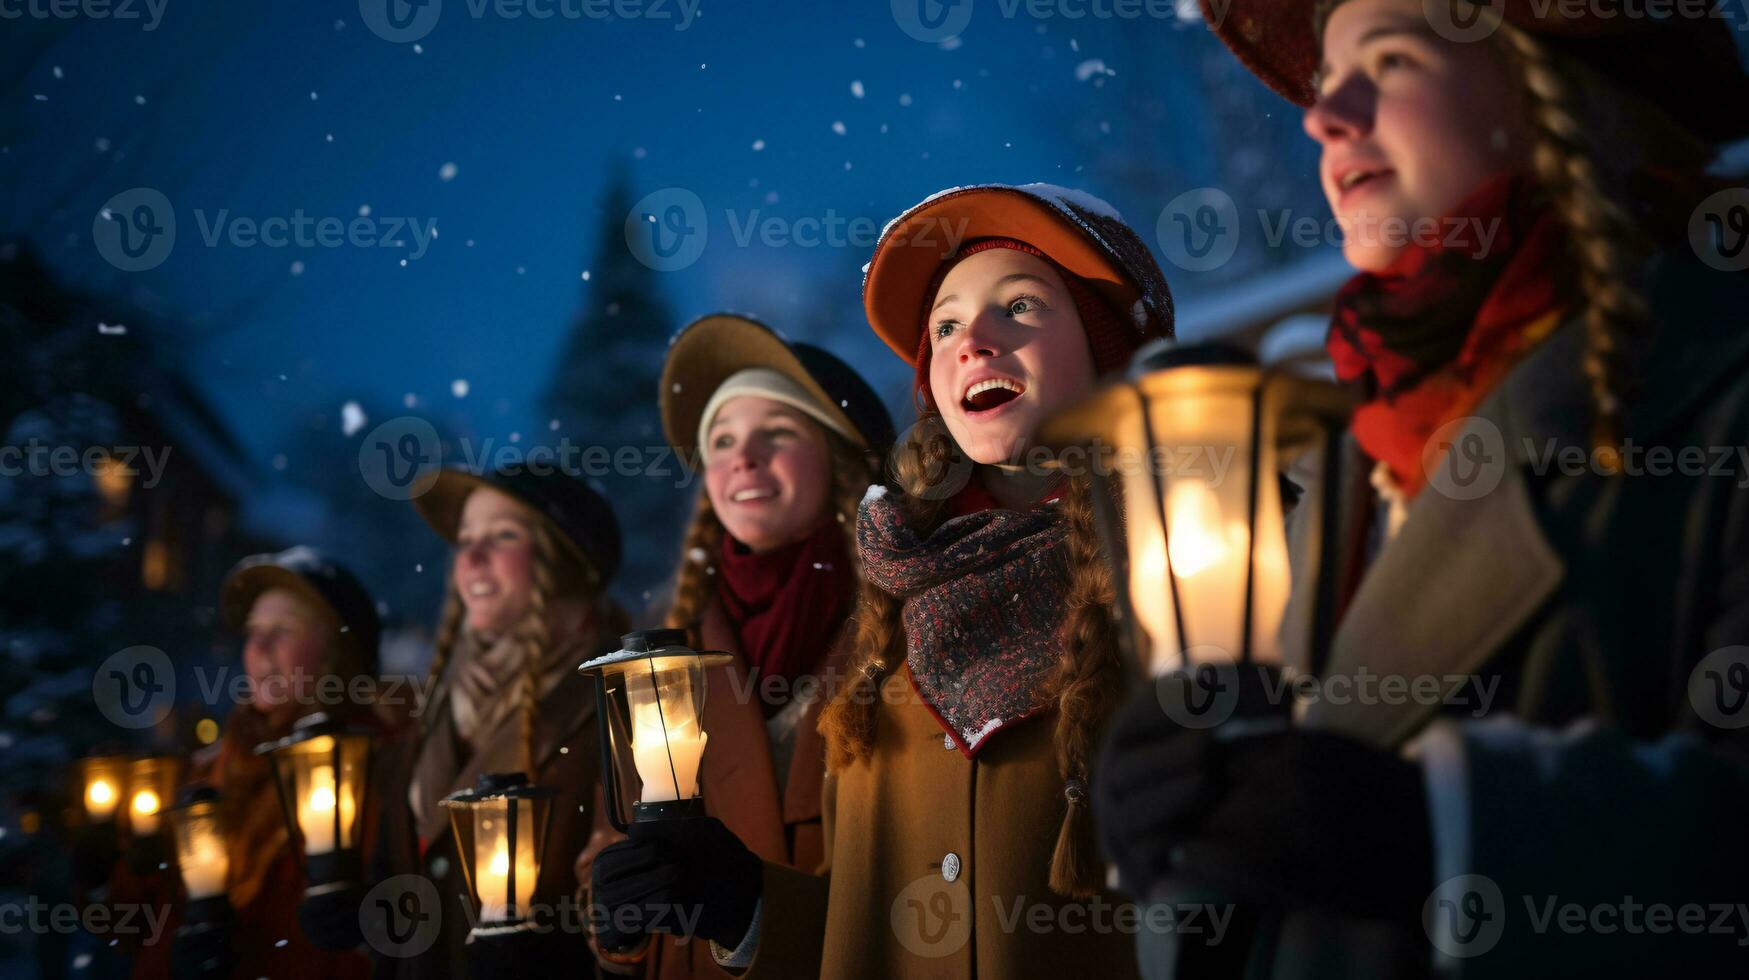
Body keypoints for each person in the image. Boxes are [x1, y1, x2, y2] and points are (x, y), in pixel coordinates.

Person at [1095, 1, 1749, 975]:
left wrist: (1447, 834)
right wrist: (1193, 823)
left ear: (1553, 88)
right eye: (1323, 81)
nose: (1324, 115)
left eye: (1391, 58)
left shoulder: (1717, 387)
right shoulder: (1349, 464)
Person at [591, 183, 1176, 978]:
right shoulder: (889, 629)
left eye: (1022, 306)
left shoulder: (1195, 572)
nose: (973, 340)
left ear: (1107, 349)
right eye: (945, 326)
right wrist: (745, 904)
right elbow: (858, 920)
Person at [578, 313, 893, 978]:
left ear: (840, 460)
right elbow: (611, 845)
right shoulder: (661, 657)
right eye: (720, 441)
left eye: (776, 433)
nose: (742, 458)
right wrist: (614, 917)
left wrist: (757, 914)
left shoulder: (903, 628)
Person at [368, 467, 628, 978]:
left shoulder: (615, 709)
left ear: (566, 566)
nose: (471, 557)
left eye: (503, 536)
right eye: (465, 541)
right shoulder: (438, 704)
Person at [128, 547, 388, 979]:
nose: (260, 647)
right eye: (254, 631)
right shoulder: (211, 773)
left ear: (336, 650)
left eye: (283, 630)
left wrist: (369, 930)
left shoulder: (380, 767)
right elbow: (147, 925)